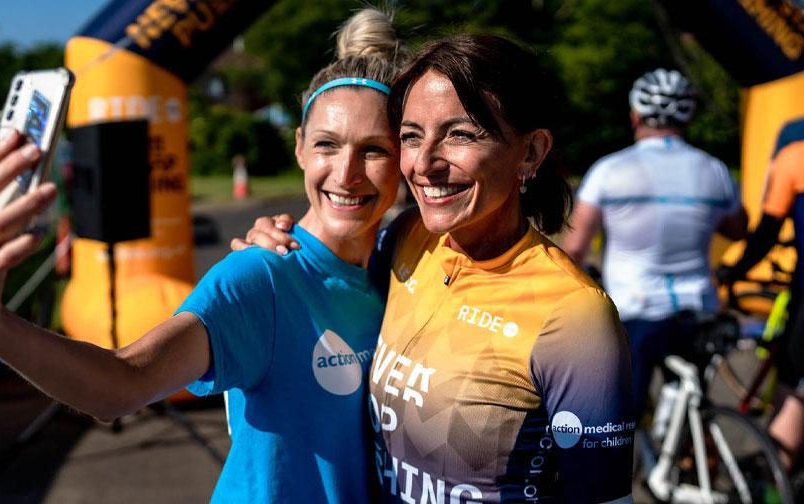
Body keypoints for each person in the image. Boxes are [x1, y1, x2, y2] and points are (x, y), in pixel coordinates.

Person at [0, 8, 405, 503]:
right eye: (328, 144)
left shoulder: (399, 269)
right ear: (301, 148)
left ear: (404, 158)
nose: (346, 173)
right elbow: (122, 384)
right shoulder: (261, 274)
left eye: (374, 150)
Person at [237, 34, 635, 503]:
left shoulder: (573, 316)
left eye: (461, 134)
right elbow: (331, 269)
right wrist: (277, 241)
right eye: (410, 136)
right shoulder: (407, 238)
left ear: (530, 152)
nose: (424, 164)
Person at [560, 68, 748, 420]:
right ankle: (690, 461)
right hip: (699, 309)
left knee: (618, 423)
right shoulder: (715, 171)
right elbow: (738, 228)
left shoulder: (609, 170)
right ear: (688, 115)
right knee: (693, 410)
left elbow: (574, 248)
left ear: (634, 116)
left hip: (634, 310)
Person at [717, 116, 804, 471]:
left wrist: (732, 271)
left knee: (793, 389)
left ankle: (775, 480)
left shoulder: (793, 157)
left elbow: (766, 234)